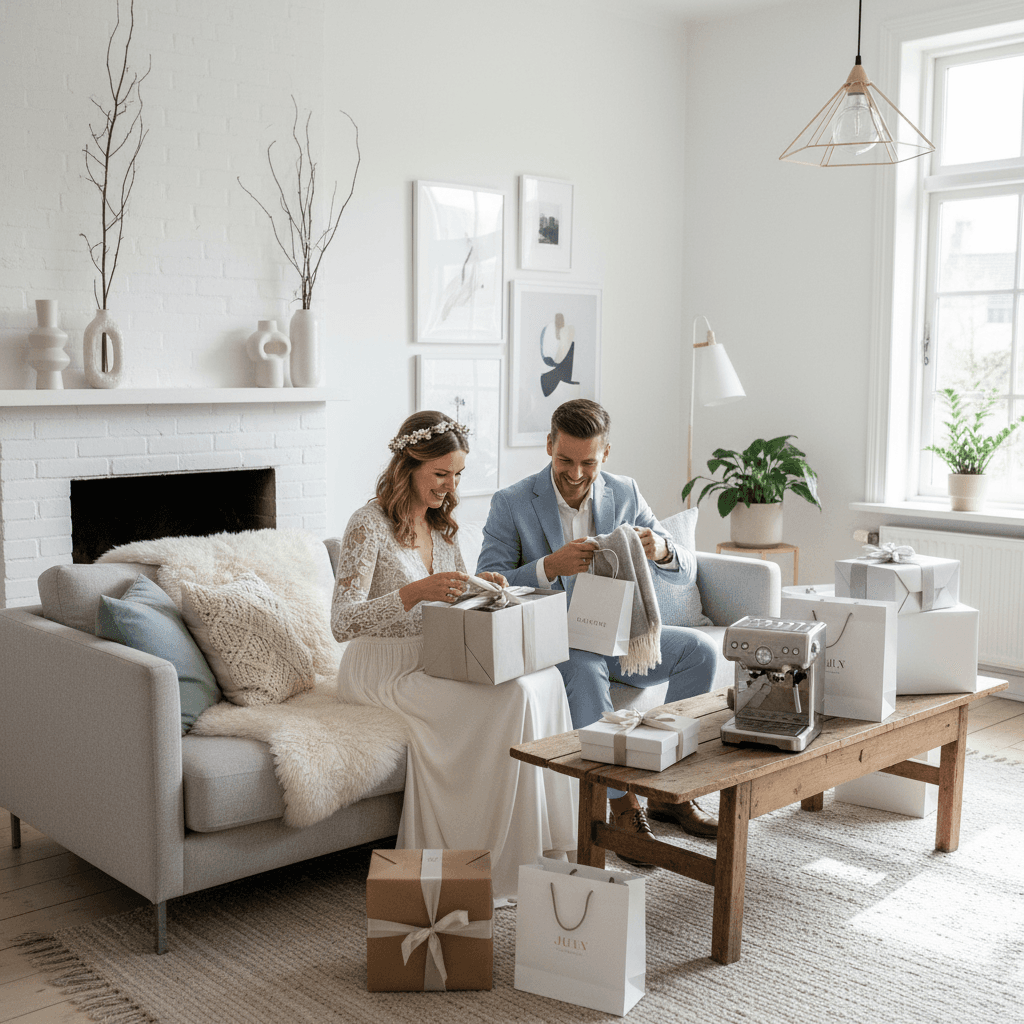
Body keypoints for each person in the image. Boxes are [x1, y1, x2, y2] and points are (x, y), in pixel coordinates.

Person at [332, 410, 577, 898]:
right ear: (408, 465)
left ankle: (542, 851)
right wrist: (414, 592)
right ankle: (487, 863)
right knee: (509, 701)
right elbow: (341, 622)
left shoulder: (442, 526)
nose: (449, 485)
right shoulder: (367, 524)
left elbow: (456, 595)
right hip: (382, 670)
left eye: (458, 474)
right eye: (440, 474)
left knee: (541, 680)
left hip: (437, 656)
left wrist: (481, 585)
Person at [476, 399, 718, 859]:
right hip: (561, 640)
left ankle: (673, 794)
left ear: (605, 454)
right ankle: (620, 803)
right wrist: (548, 566)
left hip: (623, 636)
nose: (574, 472)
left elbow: (684, 572)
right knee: (586, 671)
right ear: (549, 445)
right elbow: (490, 580)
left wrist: (661, 549)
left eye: (587, 462)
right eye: (564, 459)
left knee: (702, 652)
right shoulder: (511, 502)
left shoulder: (625, 492)